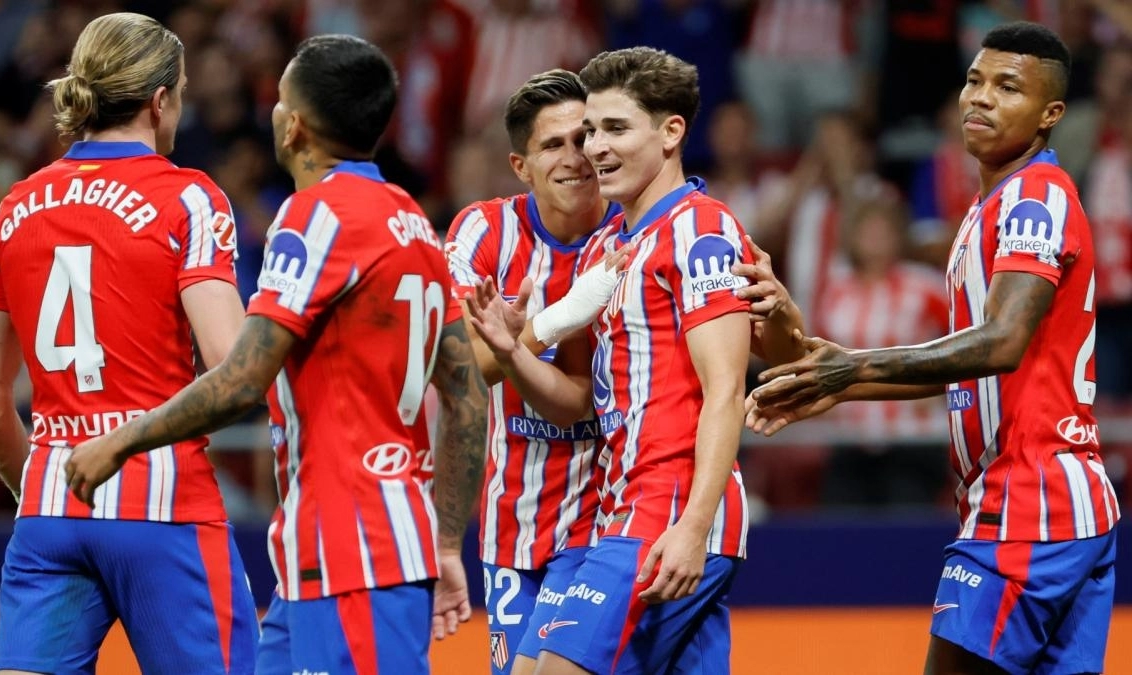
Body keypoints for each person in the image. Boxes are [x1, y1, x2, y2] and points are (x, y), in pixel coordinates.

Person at [63, 34, 490, 675]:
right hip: (333, 550)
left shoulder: (315, 218)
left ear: (294, 127)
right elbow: (467, 398)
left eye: (280, 99)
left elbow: (240, 380)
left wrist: (121, 442)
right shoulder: (413, 222)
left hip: (354, 548)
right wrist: (449, 542)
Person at [750, 21, 1120, 675]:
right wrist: (837, 384)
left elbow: (1000, 343)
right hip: (1052, 505)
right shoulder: (992, 206)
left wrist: (856, 364)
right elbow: (968, 365)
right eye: (975, 80)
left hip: (1031, 502)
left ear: (1050, 114)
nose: (980, 96)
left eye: (1008, 87)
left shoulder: (1033, 199)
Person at [467, 46, 806, 675]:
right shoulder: (618, 243)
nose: (594, 148)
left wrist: (692, 526)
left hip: (668, 507)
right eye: (593, 129)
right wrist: (517, 346)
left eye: (615, 129)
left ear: (671, 132)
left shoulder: (699, 233)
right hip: (626, 505)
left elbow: (729, 387)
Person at [0, 13, 258, 675]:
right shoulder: (189, 198)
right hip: (165, 506)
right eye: (180, 91)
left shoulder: (12, 207)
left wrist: (46, 488)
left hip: (49, 508)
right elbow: (234, 367)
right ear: (160, 101)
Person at [443, 69, 617, 675]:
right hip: (510, 527)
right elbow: (462, 370)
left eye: (584, 137)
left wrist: (515, 342)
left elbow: (581, 405)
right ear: (521, 166)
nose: (576, 157)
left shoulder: (628, 237)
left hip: (604, 518)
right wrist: (550, 325)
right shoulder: (483, 230)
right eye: (553, 145)